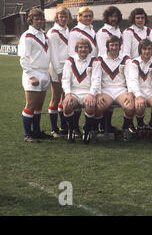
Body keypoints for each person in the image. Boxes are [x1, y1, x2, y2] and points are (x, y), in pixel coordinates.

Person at [19, 8, 61, 142]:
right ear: (30, 20)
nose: (39, 21)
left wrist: (58, 71)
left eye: (41, 19)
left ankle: (36, 131)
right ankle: (27, 134)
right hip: (33, 73)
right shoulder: (27, 36)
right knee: (30, 105)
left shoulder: (44, 35)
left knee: (39, 105)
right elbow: (23, 58)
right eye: (36, 19)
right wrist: (31, 75)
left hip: (44, 72)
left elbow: (52, 55)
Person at [91, 35, 135, 139]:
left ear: (120, 46)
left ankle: (125, 129)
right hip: (106, 91)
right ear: (107, 46)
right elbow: (96, 78)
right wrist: (98, 94)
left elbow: (130, 78)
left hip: (120, 90)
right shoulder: (99, 59)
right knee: (98, 106)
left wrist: (130, 93)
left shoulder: (126, 59)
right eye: (112, 45)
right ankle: (95, 130)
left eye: (116, 45)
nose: (114, 47)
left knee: (130, 106)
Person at [61, 38, 97, 143]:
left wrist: (91, 94)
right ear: (77, 49)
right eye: (80, 47)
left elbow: (96, 80)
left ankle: (86, 129)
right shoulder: (70, 61)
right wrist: (67, 94)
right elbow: (65, 80)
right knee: (67, 105)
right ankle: (72, 129)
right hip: (74, 93)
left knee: (90, 105)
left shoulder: (95, 61)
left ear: (89, 49)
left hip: (88, 93)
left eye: (86, 47)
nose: (83, 49)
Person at [127, 39, 152, 139]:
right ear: (140, 50)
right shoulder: (134, 62)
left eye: (149, 49)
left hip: (150, 91)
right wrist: (138, 96)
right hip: (138, 91)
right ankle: (140, 126)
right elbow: (133, 80)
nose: (147, 51)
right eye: (144, 49)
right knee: (139, 105)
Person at [46, 7, 71, 137]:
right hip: (57, 68)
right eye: (61, 16)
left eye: (65, 16)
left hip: (67, 67)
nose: (63, 18)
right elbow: (53, 54)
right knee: (55, 97)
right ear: (56, 17)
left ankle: (63, 126)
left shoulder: (67, 30)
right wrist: (59, 71)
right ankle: (54, 128)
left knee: (63, 97)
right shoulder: (53, 32)